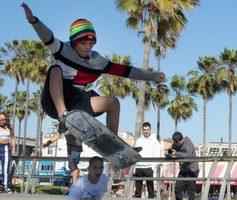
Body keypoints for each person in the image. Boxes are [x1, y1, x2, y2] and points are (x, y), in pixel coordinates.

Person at [21, 3, 165, 185]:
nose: (88, 46)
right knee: (55, 69)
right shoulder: (61, 49)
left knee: (112, 103)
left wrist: (151, 76)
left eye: (91, 42)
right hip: (54, 98)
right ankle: (63, 116)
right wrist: (33, 21)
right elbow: (47, 36)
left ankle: (113, 145)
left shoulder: (97, 61)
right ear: (74, 42)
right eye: (83, 42)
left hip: (78, 100)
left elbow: (125, 71)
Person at [166, 132, 198, 200]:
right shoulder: (175, 144)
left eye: (178, 143)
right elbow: (172, 151)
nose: (177, 145)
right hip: (183, 169)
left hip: (192, 169)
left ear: (181, 140)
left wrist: (176, 153)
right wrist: (169, 154)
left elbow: (188, 155)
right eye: (175, 143)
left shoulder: (188, 142)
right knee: (177, 188)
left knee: (190, 190)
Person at [133, 122, 162, 199]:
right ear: (142, 130)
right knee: (137, 191)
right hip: (139, 167)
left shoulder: (154, 141)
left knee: (151, 190)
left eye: (147, 129)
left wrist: (153, 167)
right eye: (144, 129)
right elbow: (135, 154)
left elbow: (157, 154)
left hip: (149, 167)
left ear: (150, 130)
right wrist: (135, 167)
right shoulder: (138, 140)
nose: (146, 131)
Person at [0, 112, 15, 192]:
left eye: (3, 119)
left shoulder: (9, 129)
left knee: (5, 169)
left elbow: (12, 139)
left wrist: (13, 149)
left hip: (5, 150)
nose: (1, 121)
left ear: (6, 120)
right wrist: (4, 141)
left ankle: (5, 186)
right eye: (0, 119)